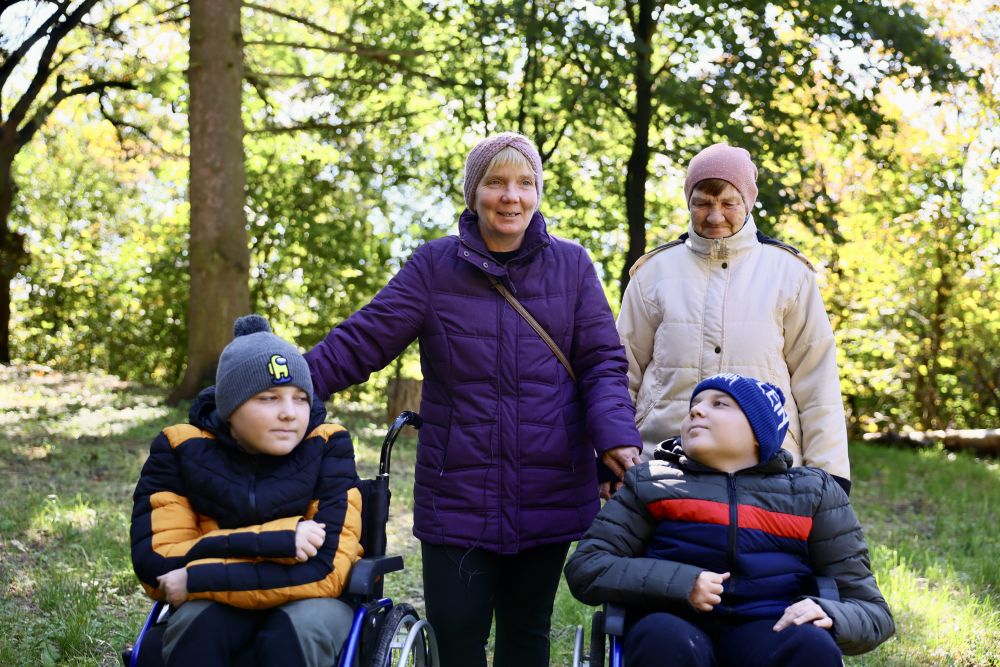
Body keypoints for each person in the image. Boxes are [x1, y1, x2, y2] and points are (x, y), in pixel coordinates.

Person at [305, 131, 643, 667]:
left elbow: (602, 364)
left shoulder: (573, 267)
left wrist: (616, 439)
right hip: (456, 490)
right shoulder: (433, 267)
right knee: (456, 639)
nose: (511, 197)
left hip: (548, 485)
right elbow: (362, 340)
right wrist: (284, 388)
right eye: (496, 183)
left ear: (537, 192)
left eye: (524, 183)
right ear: (473, 193)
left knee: (526, 637)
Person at [564, 372, 894, 667]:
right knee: (662, 637)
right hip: (672, 620)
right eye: (694, 404)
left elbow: (872, 610)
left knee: (810, 644)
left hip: (770, 627)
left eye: (720, 404)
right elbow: (588, 566)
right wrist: (682, 582)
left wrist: (833, 614)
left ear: (758, 431)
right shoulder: (651, 482)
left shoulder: (812, 493)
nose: (696, 410)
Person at [617, 143, 852, 493]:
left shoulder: (790, 274)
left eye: (728, 203)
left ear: (748, 202)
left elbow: (817, 379)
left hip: (767, 464)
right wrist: (615, 452)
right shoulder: (653, 274)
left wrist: (830, 473)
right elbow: (622, 372)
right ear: (688, 203)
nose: (715, 217)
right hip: (664, 461)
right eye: (702, 203)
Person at [130, 315, 362, 667]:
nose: (289, 414)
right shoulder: (179, 448)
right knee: (198, 625)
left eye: (300, 398)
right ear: (230, 407)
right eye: (269, 398)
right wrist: (282, 541)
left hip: (312, 600)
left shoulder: (328, 445)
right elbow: (159, 563)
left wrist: (197, 577)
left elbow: (325, 570)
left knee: (296, 629)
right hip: (217, 600)